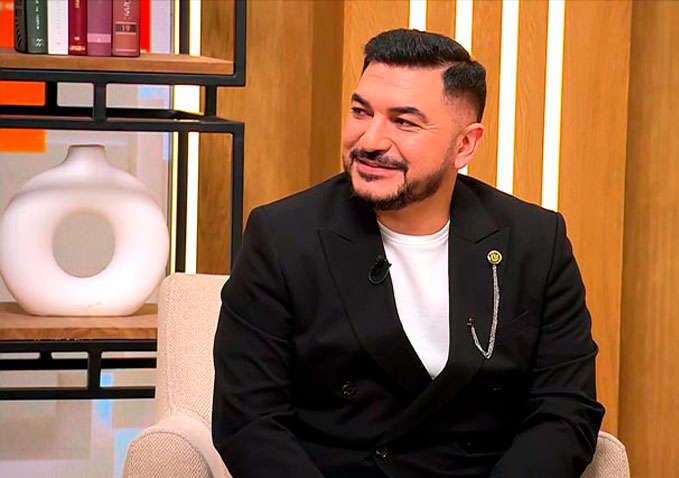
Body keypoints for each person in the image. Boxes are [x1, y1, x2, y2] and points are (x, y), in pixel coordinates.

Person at [211, 28, 604, 478]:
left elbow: (565, 409)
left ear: (465, 144)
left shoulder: (536, 241)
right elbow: (249, 421)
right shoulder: (283, 236)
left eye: (404, 122)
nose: (370, 140)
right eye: (361, 112)